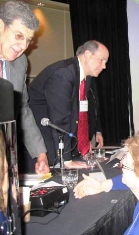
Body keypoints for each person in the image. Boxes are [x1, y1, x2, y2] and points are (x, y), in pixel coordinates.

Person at [28, 40, 108, 168]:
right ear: (88, 54)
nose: (104, 66)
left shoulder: (85, 77)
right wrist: (65, 160)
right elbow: (60, 118)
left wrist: (84, 144)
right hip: (43, 141)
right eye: (101, 60)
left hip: (61, 142)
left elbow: (79, 115)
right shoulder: (64, 73)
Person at [0, 0, 49, 174]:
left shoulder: (20, 63)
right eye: (19, 36)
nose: (23, 47)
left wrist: (40, 153)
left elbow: (22, 109)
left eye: (28, 40)